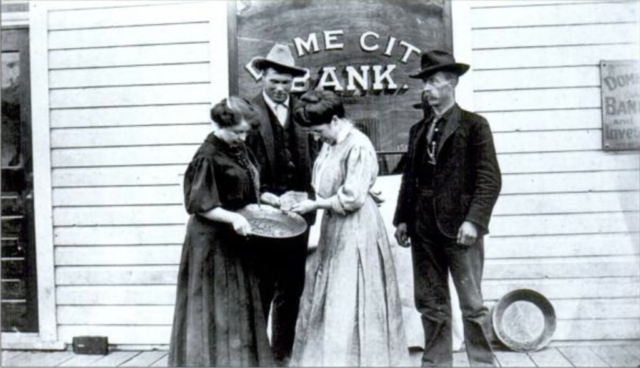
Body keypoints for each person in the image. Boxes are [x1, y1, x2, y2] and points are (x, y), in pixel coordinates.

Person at [393, 50, 502, 367]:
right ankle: (436, 363)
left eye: (433, 81)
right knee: (430, 302)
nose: (426, 88)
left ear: (451, 83)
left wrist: (474, 221)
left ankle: (482, 363)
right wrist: (402, 218)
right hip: (422, 225)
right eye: (425, 82)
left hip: (460, 227)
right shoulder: (418, 130)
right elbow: (408, 179)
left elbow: (489, 180)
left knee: (472, 303)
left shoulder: (474, 126)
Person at [289, 91, 409, 367]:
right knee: (335, 294)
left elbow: (352, 198)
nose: (316, 137)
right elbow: (328, 181)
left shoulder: (359, 145)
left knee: (351, 293)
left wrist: (315, 205)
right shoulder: (331, 143)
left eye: (318, 131)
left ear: (334, 120)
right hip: (335, 225)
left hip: (356, 228)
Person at [168, 97, 274, 367]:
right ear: (219, 124)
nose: (242, 138)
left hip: (236, 239)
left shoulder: (238, 149)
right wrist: (232, 218)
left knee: (236, 306)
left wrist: (269, 200)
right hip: (212, 242)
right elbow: (198, 205)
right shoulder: (207, 156)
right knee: (216, 308)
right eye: (237, 132)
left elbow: (242, 190)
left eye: (245, 133)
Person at [244, 43, 319, 366]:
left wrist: (310, 198)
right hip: (262, 212)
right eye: (274, 81)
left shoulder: (302, 114)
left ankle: (282, 354)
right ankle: (257, 354)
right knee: (260, 286)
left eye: (286, 83)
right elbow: (241, 163)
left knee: (291, 287)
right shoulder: (248, 113)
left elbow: (315, 160)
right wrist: (262, 196)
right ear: (262, 77)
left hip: (297, 213)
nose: (279, 89)